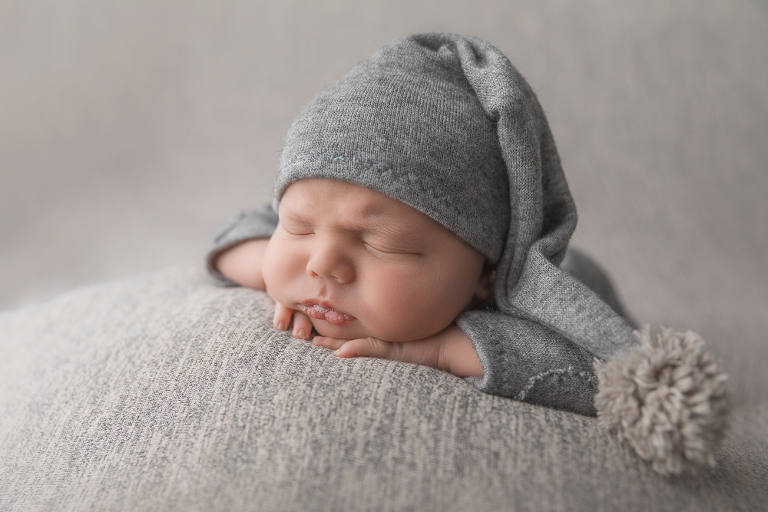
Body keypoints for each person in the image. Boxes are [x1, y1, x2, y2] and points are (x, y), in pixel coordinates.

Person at [206, 33, 728, 474]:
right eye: (299, 227)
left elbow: (598, 373)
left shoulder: (535, 301)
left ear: (485, 270)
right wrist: (277, 275)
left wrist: (442, 347)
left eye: (376, 242)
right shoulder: (312, 247)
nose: (322, 262)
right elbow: (236, 234)